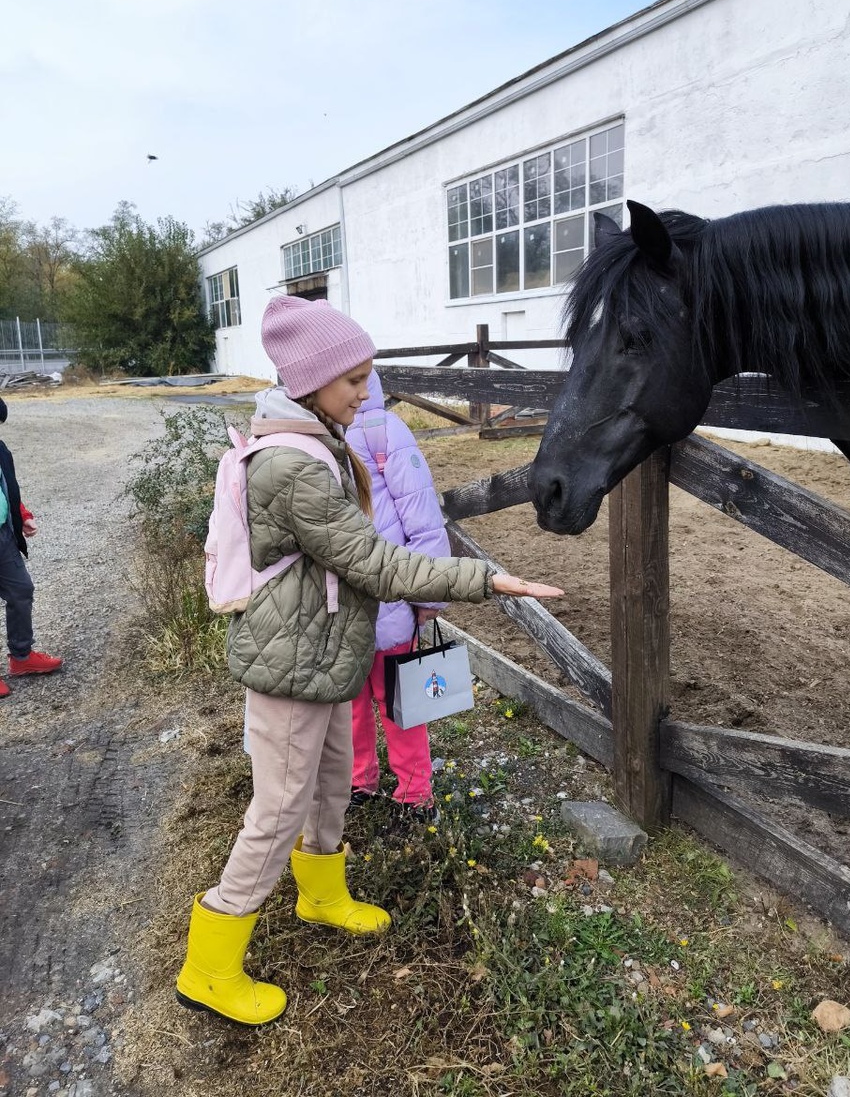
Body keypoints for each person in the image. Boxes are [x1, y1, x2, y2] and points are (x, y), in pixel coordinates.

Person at [176, 296, 563, 1027]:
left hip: (319, 655)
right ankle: (210, 963)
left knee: (326, 783)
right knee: (278, 807)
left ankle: (321, 893)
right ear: (311, 380)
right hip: (293, 665)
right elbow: (373, 563)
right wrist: (484, 578)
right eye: (353, 379)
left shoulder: (316, 438)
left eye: (366, 377)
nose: (364, 392)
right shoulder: (294, 464)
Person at [345, 367, 448, 814]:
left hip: (390, 605)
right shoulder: (310, 438)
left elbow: (423, 520)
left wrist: (427, 598)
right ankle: (358, 781)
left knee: (400, 702)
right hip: (340, 610)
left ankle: (413, 792)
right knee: (348, 702)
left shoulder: (383, 432)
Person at [0, 396, 62, 698]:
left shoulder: (0, 450)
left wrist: (22, 515)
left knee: (22, 590)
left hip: (3, 535)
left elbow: (8, 489)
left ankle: (21, 658)